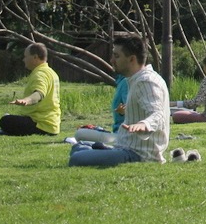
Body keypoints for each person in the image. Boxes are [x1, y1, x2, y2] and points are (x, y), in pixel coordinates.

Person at [69, 36, 170, 167]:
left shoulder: (146, 82)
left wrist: (144, 124)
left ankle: (100, 152)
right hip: (124, 146)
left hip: (137, 154)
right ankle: (101, 151)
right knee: (78, 146)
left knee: (76, 158)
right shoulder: (137, 79)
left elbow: (158, 115)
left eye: (116, 56)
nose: (112, 60)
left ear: (132, 59)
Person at [0, 43, 61, 136]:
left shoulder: (40, 74)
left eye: (25, 56)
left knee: (5, 121)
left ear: (35, 57)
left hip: (41, 125)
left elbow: (39, 94)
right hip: (52, 125)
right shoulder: (51, 72)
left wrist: (27, 100)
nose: (23, 60)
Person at [73, 72, 129, 145]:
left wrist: (123, 112)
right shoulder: (122, 82)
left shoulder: (126, 82)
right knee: (82, 132)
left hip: (123, 136)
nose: (113, 65)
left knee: (80, 134)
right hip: (119, 133)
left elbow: (132, 109)